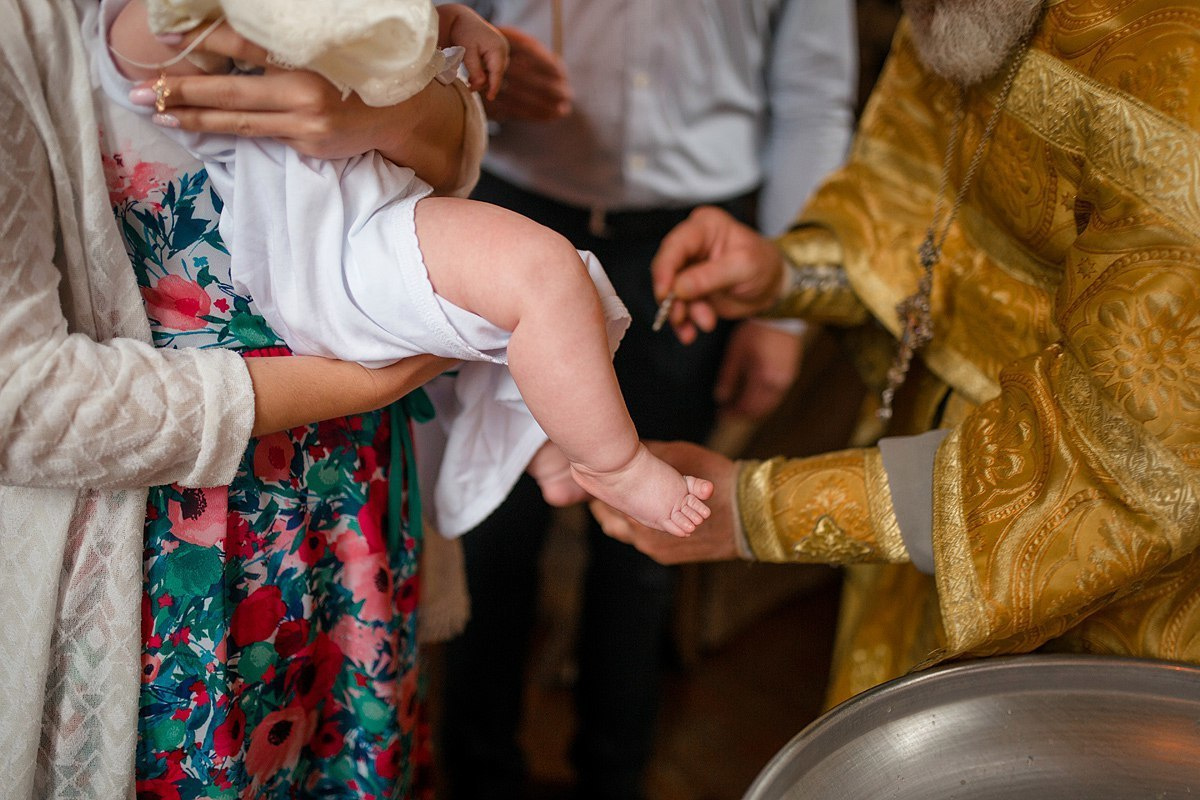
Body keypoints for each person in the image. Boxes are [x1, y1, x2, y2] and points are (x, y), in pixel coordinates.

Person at [595, 0, 1200, 712]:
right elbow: (915, 204)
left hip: (1103, 562)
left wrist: (762, 510)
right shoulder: (960, 14)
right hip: (926, 463)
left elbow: (1140, 447)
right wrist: (787, 271)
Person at [0, 0, 480, 794]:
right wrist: (370, 376)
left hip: (359, 498)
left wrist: (393, 112)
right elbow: (19, 398)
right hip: (158, 548)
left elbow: (449, 159)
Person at [436, 2, 857, 797]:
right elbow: (429, 34)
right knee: (492, 528)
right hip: (514, 214)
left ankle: (616, 775)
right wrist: (465, 72)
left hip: (695, 237)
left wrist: (781, 314)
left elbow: (814, 97)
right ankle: (478, 773)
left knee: (653, 540)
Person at [104, 0, 714, 540]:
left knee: (542, 282)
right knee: (543, 277)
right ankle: (613, 464)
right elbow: (137, 50)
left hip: (386, 205)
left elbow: (399, 27)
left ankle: (550, 448)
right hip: (319, 248)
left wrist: (455, 23)